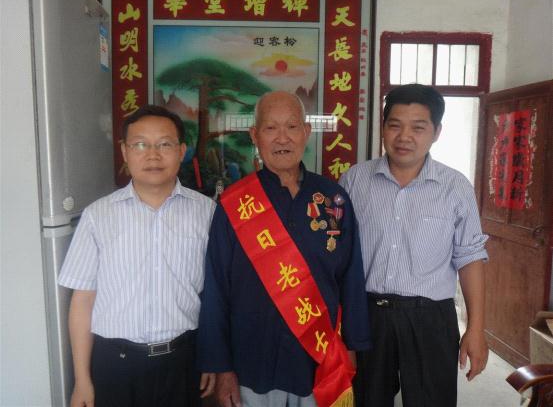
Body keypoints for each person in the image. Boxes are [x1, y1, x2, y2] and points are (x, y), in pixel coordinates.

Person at [197, 91, 371, 407]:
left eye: (291, 127)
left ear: (306, 132)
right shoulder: (234, 204)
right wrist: (221, 366)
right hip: (252, 361)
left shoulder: (333, 198)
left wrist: (351, 347)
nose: (282, 138)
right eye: (270, 128)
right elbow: (216, 288)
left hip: (319, 361)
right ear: (255, 135)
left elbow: (351, 277)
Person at [339, 83, 489, 407]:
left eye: (418, 128)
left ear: (436, 132)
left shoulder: (454, 187)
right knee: (365, 400)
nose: (404, 137)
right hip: (368, 315)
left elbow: (470, 258)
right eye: (395, 125)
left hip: (431, 318)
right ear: (383, 127)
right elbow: (338, 255)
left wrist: (476, 329)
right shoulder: (354, 181)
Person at [58, 105, 216, 407]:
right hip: (114, 366)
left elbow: (215, 296)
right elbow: (83, 301)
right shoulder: (97, 216)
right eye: (141, 144)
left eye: (165, 144)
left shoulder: (207, 212)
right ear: (124, 151)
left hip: (184, 362)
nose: (153, 155)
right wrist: (82, 379)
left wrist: (213, 358)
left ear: (181, 151)